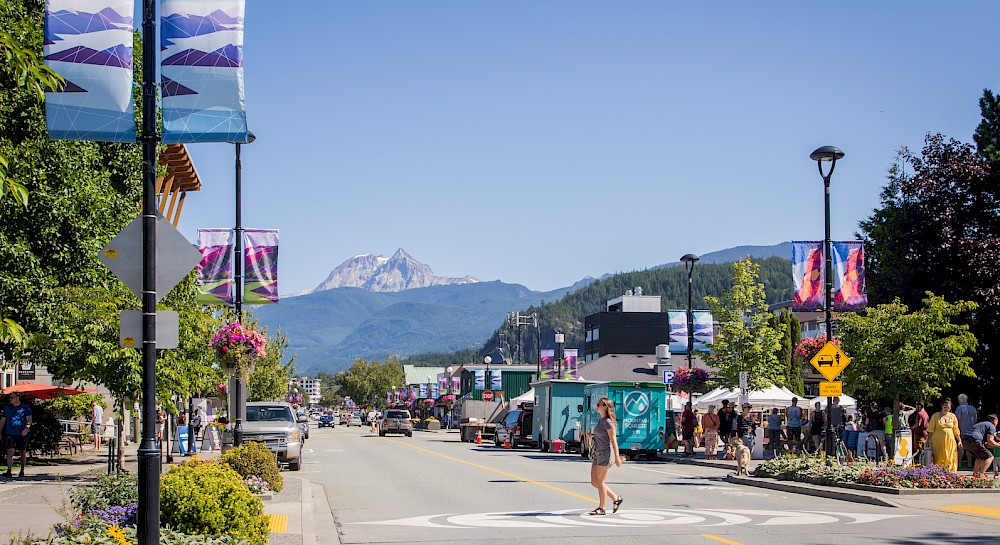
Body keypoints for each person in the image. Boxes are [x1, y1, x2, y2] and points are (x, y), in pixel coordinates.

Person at [588, 397, 623, 516]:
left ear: (605, 407)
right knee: (594, 482)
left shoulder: (608, 422)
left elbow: (614, 440)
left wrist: (617, 457)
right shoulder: (601, 420)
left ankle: (601, 508)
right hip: (598, 452)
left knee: (601, 482)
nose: (597, 406)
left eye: (599, 404)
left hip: (605, 453)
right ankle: (615, 498)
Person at [1, 392, 32, 479]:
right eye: (10, 398)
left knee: (22, 451)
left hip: (21, 433)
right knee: (10, 451)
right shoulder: (8, 408)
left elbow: (29, 419)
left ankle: (22, 470)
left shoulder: (25, 408)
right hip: (10, 433)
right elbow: (3, 420)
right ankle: (9, 470)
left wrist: (26, 429)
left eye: (12, 397)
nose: (10, 399)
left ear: (17, 398)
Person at [928, 397, 961, 472]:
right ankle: (938, 472)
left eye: (948, 407)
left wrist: (959, 441)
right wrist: (928, 440)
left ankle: (950, 471)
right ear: (942, 406)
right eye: (945, 407)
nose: (946, 408)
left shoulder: (953, 416)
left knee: (950, 455)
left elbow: (956, 430)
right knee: (938, 456)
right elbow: (930, 430)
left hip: (950, 440)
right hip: (937, 441)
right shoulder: (935, 416)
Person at [955, 394, 977, 469]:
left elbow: (957, 420)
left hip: (961, 430)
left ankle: (959, 464)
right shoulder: (973, 409)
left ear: (960, 400)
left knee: (961, 447)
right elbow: (975, 420)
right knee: (969, 448)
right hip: (971, 431)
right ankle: (970, 464)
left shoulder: (959, 408)